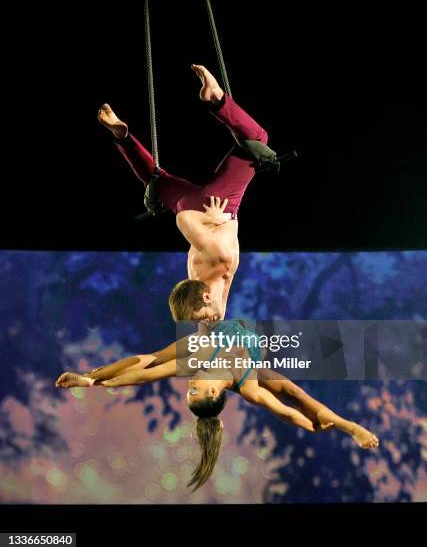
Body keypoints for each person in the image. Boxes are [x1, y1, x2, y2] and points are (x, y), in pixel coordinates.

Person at [55, 318, 380, 490]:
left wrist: (90, 380)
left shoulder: (196, 359)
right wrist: (314, 426)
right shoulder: (248, 386)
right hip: (247, 359)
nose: (192, 384)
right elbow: (284, 410)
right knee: (295, 396)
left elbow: (143, 368)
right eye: (195, 391)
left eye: (189, 390)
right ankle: (351, 427)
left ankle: (339, 425)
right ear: (214, 395)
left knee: (153, 359)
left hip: (216, 328)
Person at [98, 64, 273, 322]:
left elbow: (184, 219)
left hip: (216, 206)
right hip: (189, 204)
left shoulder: (219, 258)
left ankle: (216, 99)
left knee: (258, 142)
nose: (206, 322)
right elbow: (212, 318)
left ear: (205, 298)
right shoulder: (203, 292)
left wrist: (212, 219)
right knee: (156, 181)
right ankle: (122, 136)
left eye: (200, 319)